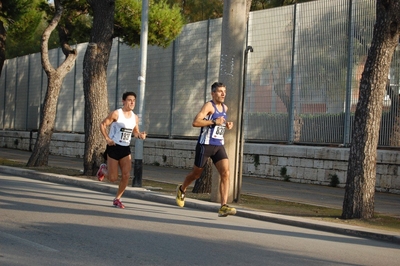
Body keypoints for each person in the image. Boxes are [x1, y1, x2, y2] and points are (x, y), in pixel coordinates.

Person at [175, 82, 236, 217]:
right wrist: (214, 122)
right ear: (213, 93)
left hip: (218, 145)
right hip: (205, 145)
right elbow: (196, 122)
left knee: (225, 172)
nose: (223, 94)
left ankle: (223, 206)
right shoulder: (209, 106)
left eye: (224, 91)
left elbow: (220, 123)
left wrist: (226, 125)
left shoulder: (225, 108)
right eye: (220, 91)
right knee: (196, 174)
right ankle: (182, 188)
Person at [96, 91, 147, 208]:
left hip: (125, 148)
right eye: (129, 100)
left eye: (134, 101)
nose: (132, 102)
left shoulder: (135, 117)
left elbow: (135, 131)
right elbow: (103, 124)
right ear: (123, 101)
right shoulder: (116, 114)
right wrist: (107, 139)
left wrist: (140, 135)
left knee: (126, 175)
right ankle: (103, 169)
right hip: (114, 147)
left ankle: (117, 198)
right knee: (113, 178)